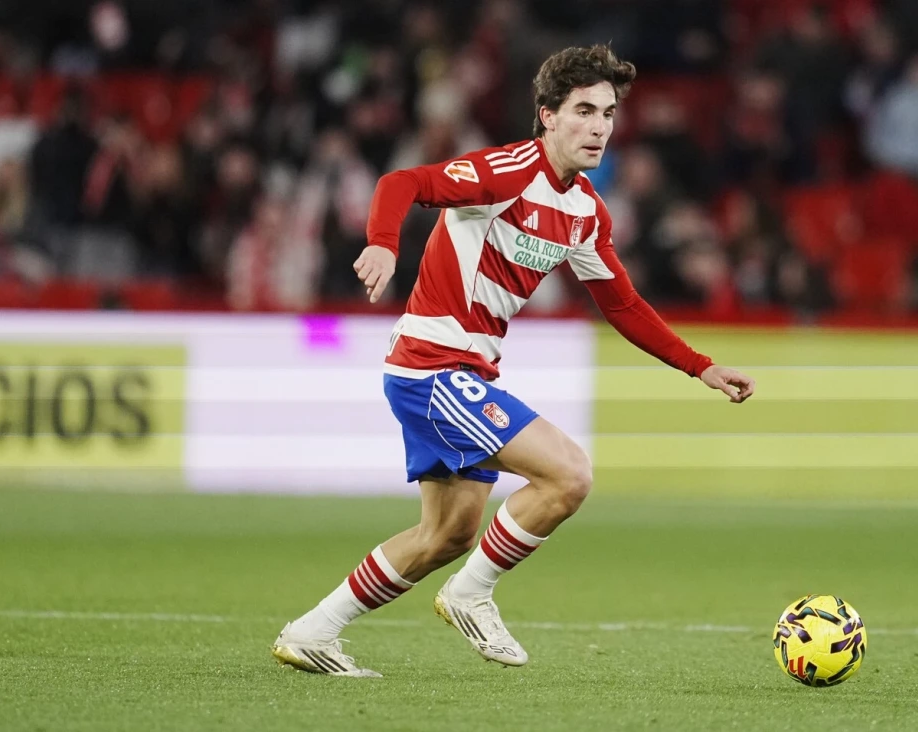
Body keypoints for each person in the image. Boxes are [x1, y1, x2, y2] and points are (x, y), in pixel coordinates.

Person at [271, 44, 756, 678]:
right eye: (584, 110)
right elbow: (403, 183)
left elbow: (624, 305)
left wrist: (700, 366)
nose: (600, 126)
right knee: (569, 476)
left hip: (460, 372)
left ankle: (312, 631)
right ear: (547, 115)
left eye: (608, 112)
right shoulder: (505, 172)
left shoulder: (584, 213)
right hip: (431, 367)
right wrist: (384, 247)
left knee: (445, 537)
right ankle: (471, 595)